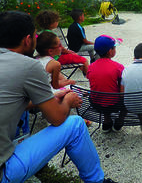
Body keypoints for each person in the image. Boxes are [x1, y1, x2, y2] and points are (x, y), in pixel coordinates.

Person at [0, 11, 115, 183]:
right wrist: (68, 100)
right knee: (75, 125)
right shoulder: (28, 66)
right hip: (3, 171)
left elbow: (9, 101)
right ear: (27, 40)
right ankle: (97, 181)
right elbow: (56, 118)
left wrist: (53, 95)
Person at [87, 35, 127, 133]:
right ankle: (119, 122)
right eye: (115, 47)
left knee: (103, 91)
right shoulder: (118, 67)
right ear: (110, 51)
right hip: (114, 104)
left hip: (96, 103)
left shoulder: (90, 67)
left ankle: (107, 121)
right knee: (126, 98)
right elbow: (123, 85)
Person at [35, 9, 89, 74]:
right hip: (56, 57)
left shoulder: (41, 34)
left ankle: (83, 71)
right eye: (56, 21)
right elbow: (60, 48)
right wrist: (69, 52)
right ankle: (89, 77)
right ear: (52, 23)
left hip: (48, 56)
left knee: (76, 56)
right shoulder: (52, 36)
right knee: (84, 60)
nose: (57, 22)